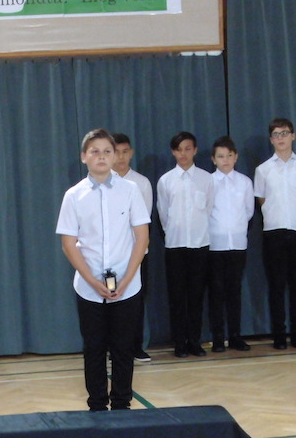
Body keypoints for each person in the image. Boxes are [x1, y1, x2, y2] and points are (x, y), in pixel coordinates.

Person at [56, 128, 150, 411]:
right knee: (94, 348)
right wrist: (92, 280)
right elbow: (68, 243)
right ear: (84, 156)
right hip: (89, 286)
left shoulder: (130, 190)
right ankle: (97, 405)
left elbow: (142, 237)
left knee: (123, 347)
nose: (101, 156)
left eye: (107, 151)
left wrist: (128, 278)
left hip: (127, 285)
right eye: (94, 151)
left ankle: (122, 405)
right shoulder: (74, 195)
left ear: (115, 156)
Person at [254, 117, 296, 350]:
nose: (281, 138)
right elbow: (262, 199)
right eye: (276, 134)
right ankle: (279, 335)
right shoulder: (263, 169)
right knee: (276, 284)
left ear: (293, 136)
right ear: (271, 139)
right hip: (274, 231)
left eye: (284, 133)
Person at [157, 131, 214, 357]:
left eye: (188, 149)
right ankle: (179, 343)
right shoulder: (166, 181)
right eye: (179, 149)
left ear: (195, 150)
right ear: (173, 152)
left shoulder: (206, 179)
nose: (183, 153)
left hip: (200, 245)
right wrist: (173, 232)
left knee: (197, 296)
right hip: (175, 246)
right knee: (177, 297)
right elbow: (163, 213)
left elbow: (208, 208)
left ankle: (195, 341)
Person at [208, 136, 254, 351]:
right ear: (213, 159)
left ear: (236, 157)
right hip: (214, 244)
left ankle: (235, 336)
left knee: (234, 291)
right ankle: (218, 337)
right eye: (220, 156)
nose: (225, 160)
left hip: (237, 244)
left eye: (229, 156)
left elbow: (249, 211)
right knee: (216, 292)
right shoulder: (208, 182)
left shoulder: (245, 182)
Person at [113, 133, 154, 363]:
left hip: (137, 252)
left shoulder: (142, 183)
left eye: (125, 152)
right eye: (116, 152)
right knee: (111, 300)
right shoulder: (103, 182)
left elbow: (143, 220)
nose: (121, 157)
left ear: (131, 153)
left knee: (136, 299)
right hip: (111, 254)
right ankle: (113, 348)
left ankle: (136, 347)